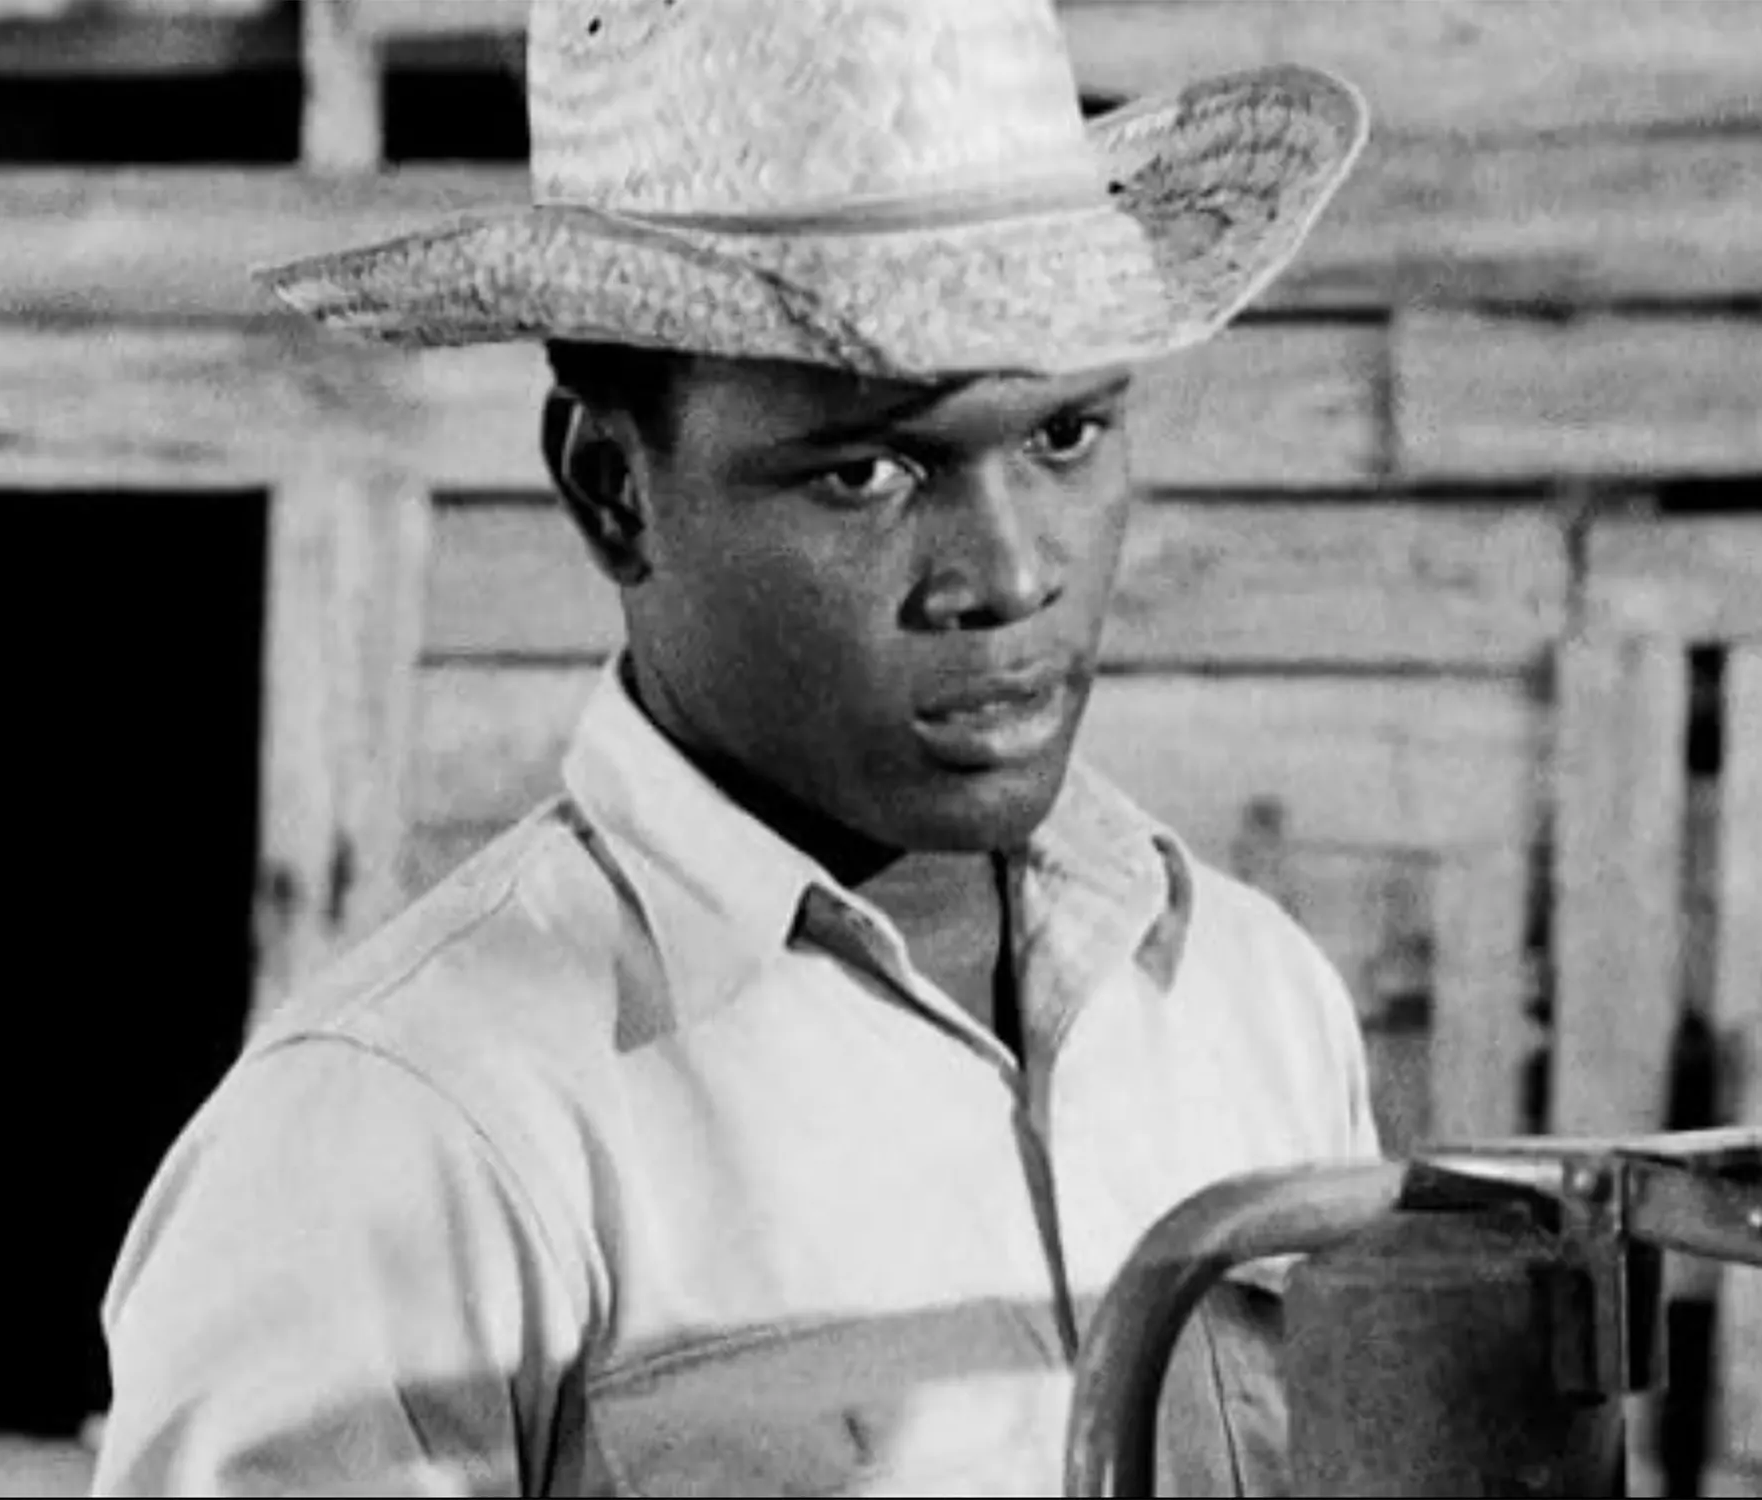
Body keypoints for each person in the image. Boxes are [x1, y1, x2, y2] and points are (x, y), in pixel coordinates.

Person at [92, 1, 1380, 1493]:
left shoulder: (1251, 1002)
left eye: (1066, 438)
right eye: (868, 469)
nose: (1010, 573)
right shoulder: (406, 1136)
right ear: (610, 490)